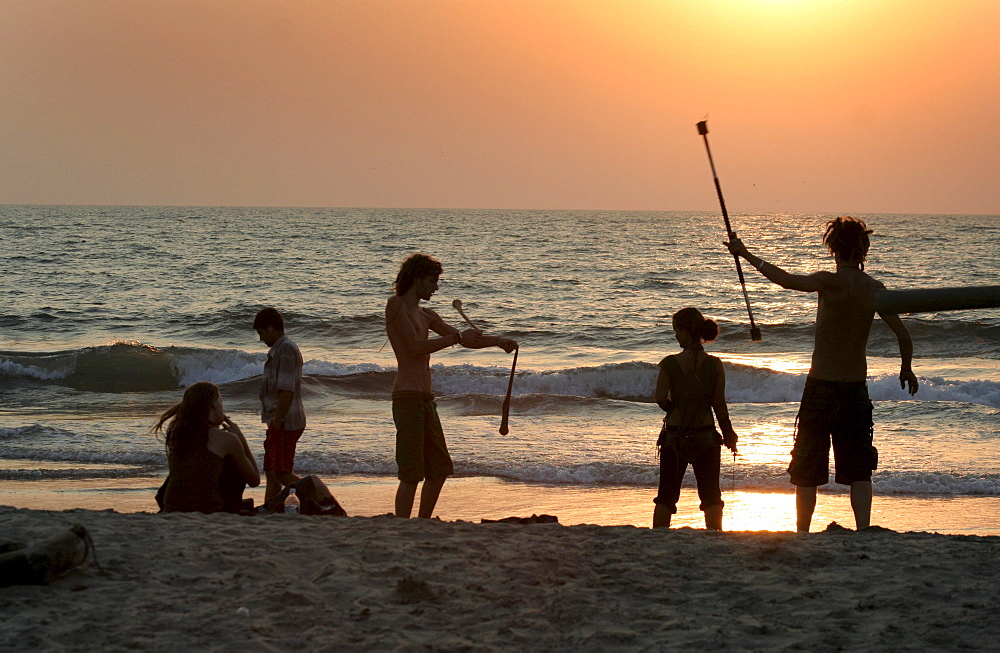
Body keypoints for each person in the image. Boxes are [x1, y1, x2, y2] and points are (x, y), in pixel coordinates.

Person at [726, 217, 918, 532]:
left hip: (821, 387)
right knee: (859, 469)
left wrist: (746, 253)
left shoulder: (828, 281)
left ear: (833, 249)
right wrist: (906, 367)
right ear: (863, 250)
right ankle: (863, 530)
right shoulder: (875, 289)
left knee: (808, 467)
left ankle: (803, 530)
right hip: (855, 389)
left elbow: (785, 280)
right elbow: (904, 335)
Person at [386, 253, 517, 519]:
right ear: (418, 278)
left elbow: (465, 340)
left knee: (439, 469)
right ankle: (401, 525)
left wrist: (497, 340)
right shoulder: (396, 305)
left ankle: (422, 523)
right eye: (433, 281)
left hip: (425, 398)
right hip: (407, 397)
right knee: (411, 472)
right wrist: (456, 337)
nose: (436, 287)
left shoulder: (427, 314)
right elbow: (413, 348)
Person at [653, 308, 738, 530]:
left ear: (685, 330)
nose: (675, 336)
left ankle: (657, 536)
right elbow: (719, 405)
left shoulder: (669, 364)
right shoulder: (714, 364)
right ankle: (714, 535)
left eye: (676, 331)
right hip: (706, 437)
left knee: (666, 497)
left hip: (674, 437)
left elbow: (660, 397)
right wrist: (729, 434)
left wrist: (672, 407)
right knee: (711, 496)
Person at [153, 382, 260, 513]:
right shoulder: (227, 439)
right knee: (233, 464)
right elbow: (254, 480)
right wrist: (241, 440)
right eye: (221, 401)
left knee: (189, 466)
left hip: (170, 508)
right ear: (214, 404)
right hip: (209, 510)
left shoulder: (177, 433)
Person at [253, 307, 306, 503]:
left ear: (270, 328)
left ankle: (317, 495)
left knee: (282, 473)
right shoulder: (279, 350)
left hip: (286, 421)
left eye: (261, 333)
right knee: (271, 472)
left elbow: (286, 390)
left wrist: (277, 419)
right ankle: (270, 509)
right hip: (278, 420)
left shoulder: (285, 350)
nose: (261, 339)